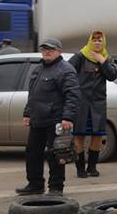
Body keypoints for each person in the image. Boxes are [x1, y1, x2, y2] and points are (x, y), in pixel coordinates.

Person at [15, 38, 80, 196]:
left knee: (56, 154)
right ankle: (35, 184)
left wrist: (68, 117)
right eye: (44, 49)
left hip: (55, 120)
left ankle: (56, 187)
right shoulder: (38, 69)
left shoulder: (66, 69)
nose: (47, 52)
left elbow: (73, 95)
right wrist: (27, 113)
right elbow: (33, 95)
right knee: (32, 153)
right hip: (38, 120)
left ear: (59, 51)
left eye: (50, 49)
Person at [69, 31, 117, 179]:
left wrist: (102, 61)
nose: (97, 42)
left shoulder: (106, 57)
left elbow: (113, 75)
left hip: (98, 103)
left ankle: (92, 167)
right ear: (90, 41)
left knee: (97, 135)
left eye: (100, 40)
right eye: (95, 40)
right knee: (79, 135)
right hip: (81, 102)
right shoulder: (80, 56)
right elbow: (67, 72)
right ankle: (80, 169)